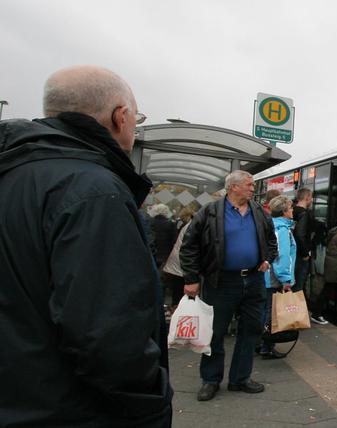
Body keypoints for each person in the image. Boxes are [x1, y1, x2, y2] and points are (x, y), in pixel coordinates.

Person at [0, 65, 172, 426]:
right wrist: (153, 402)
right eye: (136, 118)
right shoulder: (94, 191)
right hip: (73, 408)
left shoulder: (14, 172)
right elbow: (108, 334)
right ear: (119, 116)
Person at [180, 170, 277, 401]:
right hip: (221, 281)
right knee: (215, 332)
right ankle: (211, 380)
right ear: (233, 187)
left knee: (250, 330)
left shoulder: (259, 212)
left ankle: (240, 379)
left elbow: (271, 240)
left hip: (254, 280)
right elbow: (189, 245)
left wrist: (267, 260)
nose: (253, 189)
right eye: (249, 185)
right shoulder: (211, 212)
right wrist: (191, 278)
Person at [261, 196, 296, 357]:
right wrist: (286, 280)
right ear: (284, 211)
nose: (292, 210)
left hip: (266, 276)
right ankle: (267, 346)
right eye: (290, 208)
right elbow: (281, 256)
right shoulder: (282, 229)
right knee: (271, 313)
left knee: (265, 310)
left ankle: (260, 343)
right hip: (274, 278)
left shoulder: (271, 225)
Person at [292, 188, 327, 325]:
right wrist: (306, 253)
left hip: (292, 255)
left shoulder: (292, 211)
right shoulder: (304, 214)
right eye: (311, 197)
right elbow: (300, 235)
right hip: (301, 256)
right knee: (299, 286)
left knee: (294, 285)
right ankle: (297, 318)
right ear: (306, 198)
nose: (312, 200)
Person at [162, 207, 196, 311]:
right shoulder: (195, 226)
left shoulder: (188, 225)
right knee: (183, 296)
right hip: (183, 266)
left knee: (178, 294)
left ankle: (176, 313)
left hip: (178, 265)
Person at [149, 203, 177, 271]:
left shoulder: (149, 223)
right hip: (165, 256)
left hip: (151, 255)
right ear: (166, 212)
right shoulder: (171, 224)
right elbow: (174, 241)